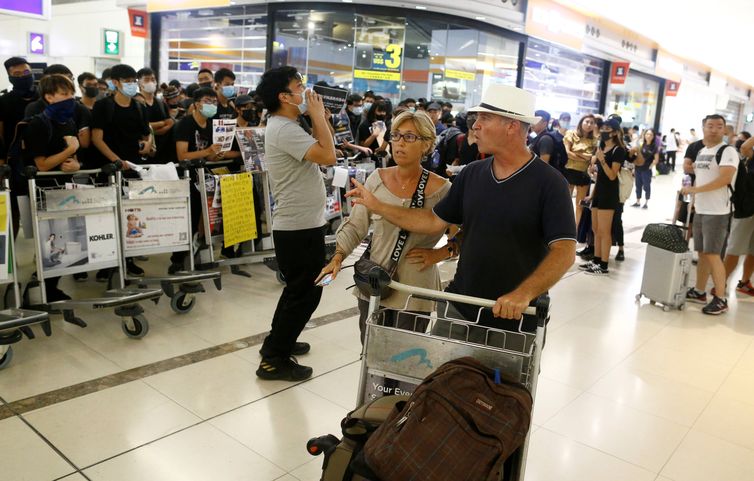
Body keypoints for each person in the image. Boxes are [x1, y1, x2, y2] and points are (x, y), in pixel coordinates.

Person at [346, 84, 576, 330]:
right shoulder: (472, 174)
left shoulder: (550, 183)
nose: (475, 125)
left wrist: (523, 294)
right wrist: (378, 206)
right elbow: (433, 221)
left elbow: (564, 250)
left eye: (485, 118)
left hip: (515, 315)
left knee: (503, 371)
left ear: (512, 125)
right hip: (459, 304)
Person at [318, 110, 452, 343]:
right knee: (370, 355)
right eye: (396, 135)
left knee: (404, 360)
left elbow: (464, 236)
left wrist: (439, 254)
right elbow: (356, 225)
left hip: (415, 289)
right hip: (374, 282)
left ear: (427, 144)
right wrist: (338, 256)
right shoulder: (376, 179)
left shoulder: (442, 189)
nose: (399, 143)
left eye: (409, 137)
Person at [255, 66, 336, 381]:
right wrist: (316, 115)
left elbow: (324, 147)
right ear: (284, 97)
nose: (305, 91)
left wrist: (320, 117)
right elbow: (328, 156)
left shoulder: (287, 125)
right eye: (299, 86)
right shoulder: (284, 129)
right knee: (307, 291)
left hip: (302, 223)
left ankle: (277, 342)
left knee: (298, 291)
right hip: (297, 227)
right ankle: (274, 360)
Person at [22, 74, 83, 301]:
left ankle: (51, 286)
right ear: (49, 97)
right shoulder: (38, 123)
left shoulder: (69, 122)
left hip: (65, 190)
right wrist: (69, 151)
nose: (70, 98)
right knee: (48, 242)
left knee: (63, 240)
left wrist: (76, 162)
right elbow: (42, 165)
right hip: (42, 192)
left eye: (71, 93)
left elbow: (75, 156)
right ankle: (40, 288)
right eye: (64, 94)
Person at [91, 64, 151, 277]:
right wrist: (117, 161)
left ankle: (128, 259)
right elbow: (96, 139)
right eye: (127, 80)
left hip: (133, 170)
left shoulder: (138, 107)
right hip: (109, 168)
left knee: (131, 216)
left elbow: (146, 133)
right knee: (107, 218)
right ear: (115, 82)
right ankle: (106, 265)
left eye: (133, 80)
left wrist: (147, 143)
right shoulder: (103, 106)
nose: (131, 84)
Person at [681, 114, 738, 315]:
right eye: (710, 126)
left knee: (713, 254)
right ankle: (699, 291)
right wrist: (694, 198)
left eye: (719, 126)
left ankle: (721, 298)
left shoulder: (728, 151)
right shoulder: (703, 151)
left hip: (718, 211)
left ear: (725, 130)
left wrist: (695, 191)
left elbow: (724, 179)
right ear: (703, 128)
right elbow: (697, 173)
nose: (714, 129)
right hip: (702, 209)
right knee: (703, 253)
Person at [578, 118, 625, 276]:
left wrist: (602, 160)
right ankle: (596, 260)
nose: (604, 130)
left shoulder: (618, 150)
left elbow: (612, 175)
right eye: (603, 127)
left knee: (604, 231)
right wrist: (591, 195)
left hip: (609, 194)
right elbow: (599, 177)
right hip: (598, 193)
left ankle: (604, 265)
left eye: (608, 128)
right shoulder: (601, 147)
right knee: (596, 229)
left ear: (615, 132)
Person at [723, 133, 754, 296]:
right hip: (747, 208)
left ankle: (744, 282)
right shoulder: (751, 155)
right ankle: (721, 283)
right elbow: (745, 147)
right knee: (734, 248)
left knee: (753, 251)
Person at [564, 114, 598, 228]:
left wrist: (577, 153)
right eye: (587, 122)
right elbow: (568, 153)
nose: (589, 125)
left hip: (583, 174)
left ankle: (575, 230)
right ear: (581, 122)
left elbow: (592, 158)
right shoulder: (571, 134)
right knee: (565, 204)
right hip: (568, 171)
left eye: (592, 123)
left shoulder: (594, 140)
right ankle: (564, 228)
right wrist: (585, 157)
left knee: (580, 205)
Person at [137, 68, 175, 164]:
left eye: (153, 79)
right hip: (143, 151)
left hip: (162, 152)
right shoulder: (135, 102)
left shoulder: (160, 103)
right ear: (139, 83)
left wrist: (154, 128)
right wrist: (161, 123)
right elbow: (139, 126)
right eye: (146, 79)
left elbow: (170, 122)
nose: (150, 82)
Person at [630, 128, 659, 208]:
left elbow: (656, 159)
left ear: (653, 136)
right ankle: (638, 201)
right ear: (645, 135)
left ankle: (646, 202)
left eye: (651, 134)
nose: (649, 136)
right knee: (638, 185)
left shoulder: (654, 147)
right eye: (647, 134)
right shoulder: (641, 144)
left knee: (646, 186)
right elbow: (636, 155)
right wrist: (633, 167)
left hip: (646, 170)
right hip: (638, 168)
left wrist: (650, 166)